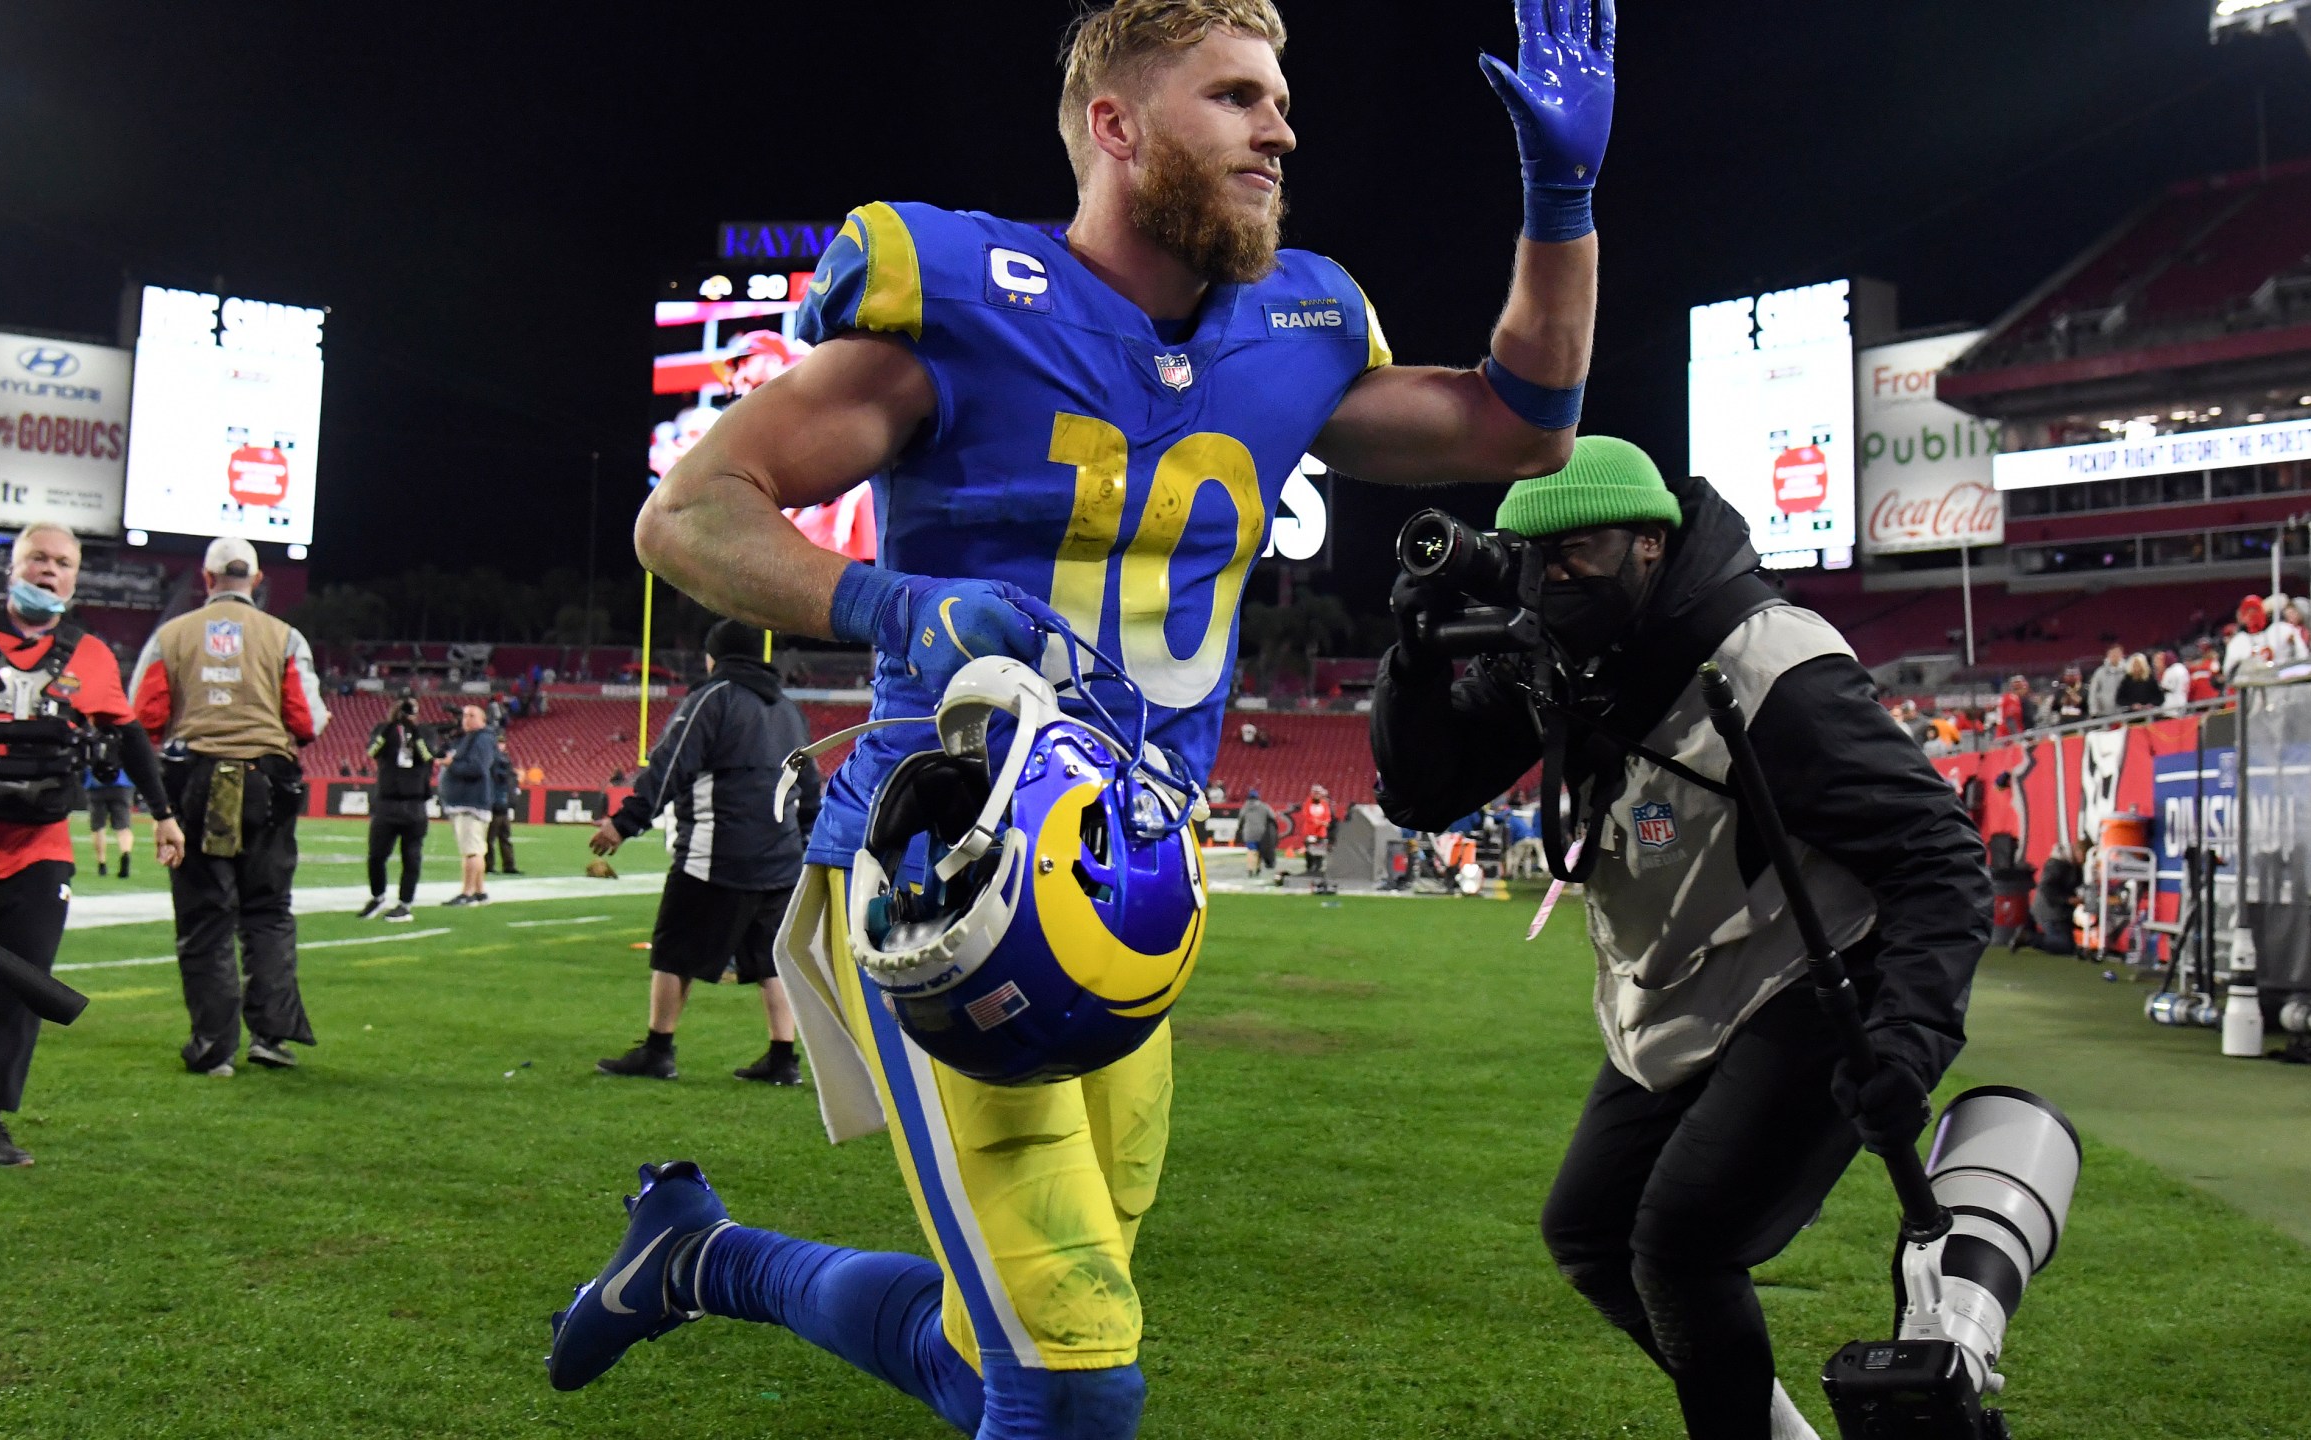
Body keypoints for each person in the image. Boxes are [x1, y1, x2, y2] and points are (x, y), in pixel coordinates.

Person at [546, 4, 1612, 1435]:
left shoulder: (1295, 326)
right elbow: (688, 514)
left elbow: (1520, 427)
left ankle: (695, 1258)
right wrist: (891, 608)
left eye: (1280, 100)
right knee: (1071, 1364)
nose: (1281, 130)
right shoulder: (968, 298)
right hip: (949, 872)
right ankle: (709, 1262)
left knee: (1006, 1330)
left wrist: (1562, 207)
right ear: (1116, 126)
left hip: (1131, 879)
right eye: (1236, 97)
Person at [1368, 438, 1988, 1440]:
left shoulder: (1769, 663)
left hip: (1816, 970)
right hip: (1681, 984)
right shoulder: (1577, 657)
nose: (1555, 573)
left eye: (1581, 549)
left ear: (1651, 543)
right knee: (1586, 1232)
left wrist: (1909, 1038)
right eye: (1536, 554)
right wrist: (1414, 663)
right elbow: (1421, 791)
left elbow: (1939, 856)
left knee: (1680, 1247)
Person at [0, 524, 182, 1164]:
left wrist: (163, 812)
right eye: (38, 558)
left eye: (63, 563)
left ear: (76, 577)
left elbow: (130, 735)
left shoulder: (93, 656)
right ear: (12, 567)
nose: (49, 571)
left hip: (36, 850)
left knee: (20, 988)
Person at [132, 537, 331, 1075]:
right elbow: (309, 722)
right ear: (257, 580)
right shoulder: (285, 637)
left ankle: (213, 1046)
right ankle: (271, 1035)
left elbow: (142, 716)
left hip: (193, 779)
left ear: (206, 578)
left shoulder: (169, 636)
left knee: (204, 917)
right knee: (267, 911)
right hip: (266, 781)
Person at [592, 621, 819, 1084]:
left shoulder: (713, 698)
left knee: (674, 949)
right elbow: (809, 788)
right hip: (782, 858)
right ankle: (782, 1058)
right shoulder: (789, 710)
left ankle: (658, 1050)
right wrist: (804, 843)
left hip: (716, 854)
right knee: (770, 960)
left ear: (714, 657)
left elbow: (671, 764)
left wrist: (624, 822)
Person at [359, 694, 435, 923]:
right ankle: (378, 896)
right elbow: (371, 751)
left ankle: (405, 903)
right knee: (376, 856)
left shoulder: (425, 732)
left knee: (411, 857)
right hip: (387, 803)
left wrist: (413, 731)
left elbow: (427, 756)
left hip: (414, 804)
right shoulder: (384, 730)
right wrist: (392, 726)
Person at [437, 705, 500, 907]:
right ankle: (480, 891)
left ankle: (467, 892)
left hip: (470, 801)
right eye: (464, 715)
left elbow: (476, 768)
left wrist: (450, 764)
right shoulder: (473, 738)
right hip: (467, 801)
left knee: (470, 850)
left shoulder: (482, 739)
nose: (466, 719)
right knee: (476, 849)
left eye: (472, 715)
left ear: (482, 720)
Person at [2225, 593, 2308, 673]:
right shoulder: (2238, 642)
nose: (2252, 615)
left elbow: (2302, 654)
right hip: (2254, 683)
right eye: (2247, 612)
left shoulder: (2282, 630)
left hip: (2283, 680)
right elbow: (2229, 671)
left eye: (2255, 610)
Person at [85, 762, 137, 878]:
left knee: (98, 827)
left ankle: (102, 863)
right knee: (123, 827)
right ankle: (125, 852)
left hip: (96, 782)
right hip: (121, 782)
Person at [486, 739, 522, 875]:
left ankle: (509, 865)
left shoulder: (503, 763)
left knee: (504, 837)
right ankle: (489, 865)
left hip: (503, 805)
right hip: (496, 805)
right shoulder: (496, 763)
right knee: (491, 838)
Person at [1235, 786, 1280, 876]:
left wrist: (1240, 829)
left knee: (1252, 851)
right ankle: (1258, 868)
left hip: (1248, 833)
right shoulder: (1264, 807)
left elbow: (1240, 820)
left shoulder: (1245, 807)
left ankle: (1250, 869)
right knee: (1260, 851)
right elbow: (1272, 817)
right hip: (1262, 833)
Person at [1299, 782, 1335, 875]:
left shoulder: (1324, 803)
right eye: (1315, 792)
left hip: (1321, 833)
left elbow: (1328, 815)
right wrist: (1317, 821)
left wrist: (1326, 822)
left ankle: (1318, 868)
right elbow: (1306, 816)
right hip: (1310, 832)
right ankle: (1309, 867)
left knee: (1320, 851)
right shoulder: (1307, 803)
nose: (1317, 794)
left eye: (1318, 793)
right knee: (1309, 850)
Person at [2086, 643, 2124, 715]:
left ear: (2121, 654)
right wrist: (2093, 710)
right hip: (2104, 713)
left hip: (2124, 711)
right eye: (2113, 654)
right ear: (2108, 655)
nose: (2115, 656)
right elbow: (2093, 692)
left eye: (2117, 653)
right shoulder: (2100, 672)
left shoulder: (2127, 670)